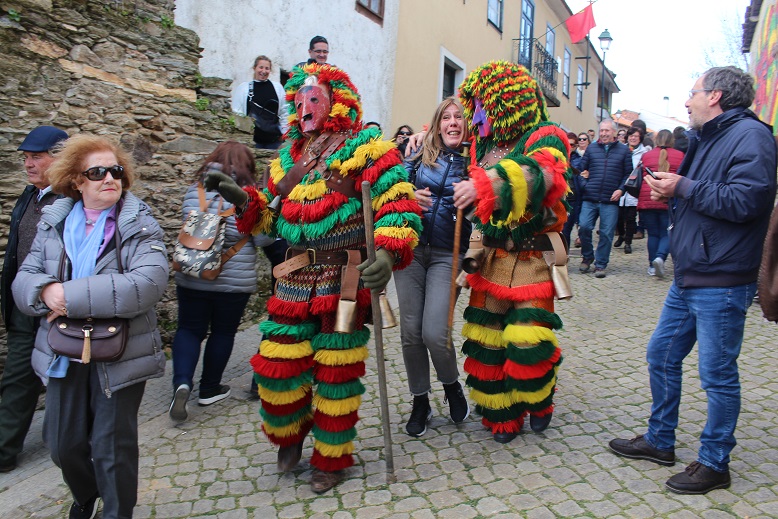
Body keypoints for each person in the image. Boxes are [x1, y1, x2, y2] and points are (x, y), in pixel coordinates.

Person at [204, 63, 421, 493]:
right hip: (294, 277)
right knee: (277, 367)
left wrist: (387, 253)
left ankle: (331, 459)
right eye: (298, 100)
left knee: (336, 371)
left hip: (345, 279)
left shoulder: (370, 148)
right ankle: (290, 434)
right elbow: (268, 213)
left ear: (336, 101)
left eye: (313, 98)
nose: (304, 106)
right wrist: (243, 199)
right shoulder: (287, 157)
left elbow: (398, 206)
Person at [609, 66, 777, 495]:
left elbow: (747, 200)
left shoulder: (752, 137)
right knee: (661, 354)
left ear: (716, 96)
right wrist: (678, 190)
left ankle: (715, 461)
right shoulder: (711, 135)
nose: (687, 101)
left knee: (717, 375)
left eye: (693, 93)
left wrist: (683, 186)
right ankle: (660, 440)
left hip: (722, 276)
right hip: (691, 272)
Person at [12, 134, 168, 517]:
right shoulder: (54, 224)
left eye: (115, 171)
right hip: (63, 348)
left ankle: (116, 511)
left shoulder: (139, 223)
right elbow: (24, 276)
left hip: (120, 350)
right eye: (96, 172)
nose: (109, 178)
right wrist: (43, 290)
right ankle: (86, 494)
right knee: (61, 444)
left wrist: (64, 296)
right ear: (77, 181)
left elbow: (146, 283)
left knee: (111, 446)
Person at [456, 61, 571, 443]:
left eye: (482, 103)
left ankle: (539, 399)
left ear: (505, 100)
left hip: (532, 259)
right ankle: (500, 414)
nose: (476, 113)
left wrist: (488, 186)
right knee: (484, 340)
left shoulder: (545, 134)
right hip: (489, 258)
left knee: (528, 343)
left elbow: (543, 174)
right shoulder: (481, 144)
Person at [168, 141, 276, 423]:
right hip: (232, 280)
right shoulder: (251, 197)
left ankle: (181, 383)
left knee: (189, 330)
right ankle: (209, 388)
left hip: (192, 274)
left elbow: (186, 222)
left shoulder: (196, 189)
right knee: (222, 333)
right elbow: (264, 238)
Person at [396, 98, 472, 437]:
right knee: (411, 333)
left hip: (448, 253)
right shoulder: (415, 153)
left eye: (459, 117)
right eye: (446, 117)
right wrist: (409, 195)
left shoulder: (476, 161)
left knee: (434, 332)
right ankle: (420, 400)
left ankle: (451, 384)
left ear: (467, 125)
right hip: (410, 250)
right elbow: (391, 189)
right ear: (437, 123)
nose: (453, 122)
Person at [0, 126, 68, 473]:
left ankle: (70, 443)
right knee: (18, 376)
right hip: (24, 304)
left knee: (64, 376)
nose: (28, 164)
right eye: (26, 157)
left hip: (57, 307)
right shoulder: (30, 195)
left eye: (36, 157)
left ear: (58, 158)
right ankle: (4, 450)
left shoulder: (72, 200)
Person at [577, 119, 633, 278]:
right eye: (601, 130)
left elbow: (628, 174)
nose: (603, 133)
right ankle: (587, 256)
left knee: (607, 233)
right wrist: (584, 185)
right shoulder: (592, 148)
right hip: (590, 197)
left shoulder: (624, 151)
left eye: (607, 131)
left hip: (611, 200)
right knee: (584, 227)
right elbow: (581, 170)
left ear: (614, 132)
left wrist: (621, 189)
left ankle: (600, 264)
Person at [638, 129, 683, 277]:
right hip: (668, 198)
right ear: (672, 141)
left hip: (648, 198)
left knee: (652, 234)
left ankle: (652, 265)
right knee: (667, 232)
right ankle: (660, 257)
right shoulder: (679, 156)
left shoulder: (646, 156)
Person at [231, 55, 289, 150]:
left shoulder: (277, 88)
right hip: (252, 140)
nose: (264, 71)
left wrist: (285, 133)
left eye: (267, 68)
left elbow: (284, 111)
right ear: (254, 68)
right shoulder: (244, 88)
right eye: (261, 67)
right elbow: (237, 112)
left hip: (274, 141)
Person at [614, 127, 648, 254]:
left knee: (630, 217)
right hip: (621, 186)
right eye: (631, 136)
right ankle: (621, 235)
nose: (633, 138)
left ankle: (628, 242)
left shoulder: (644, 153)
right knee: (618, 217)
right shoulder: (621, 149)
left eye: (636, 136)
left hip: (634, 188)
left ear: (640, 138)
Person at [562, 131, 584, 249]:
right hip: (559, 200)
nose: (569, 147)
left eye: (572, 145)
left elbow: (581, 179)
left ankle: (564, 260)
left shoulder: (579, 160)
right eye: (567, 144)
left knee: (566, 231)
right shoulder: (557, 158)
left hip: (572, 200)